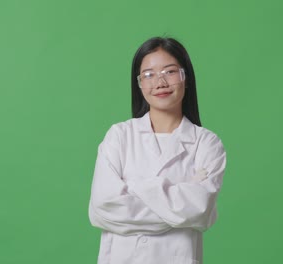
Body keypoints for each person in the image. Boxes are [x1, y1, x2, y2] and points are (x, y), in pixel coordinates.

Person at [88, 37, 227, 264]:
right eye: (149, 75)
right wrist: (181, 203)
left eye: (170, 72)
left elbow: (200, 210)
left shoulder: (207, 143)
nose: (160, 82)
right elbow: (102, 208)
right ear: (139, 83)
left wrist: (135, 188)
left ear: (186, 77)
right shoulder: (119, 136)